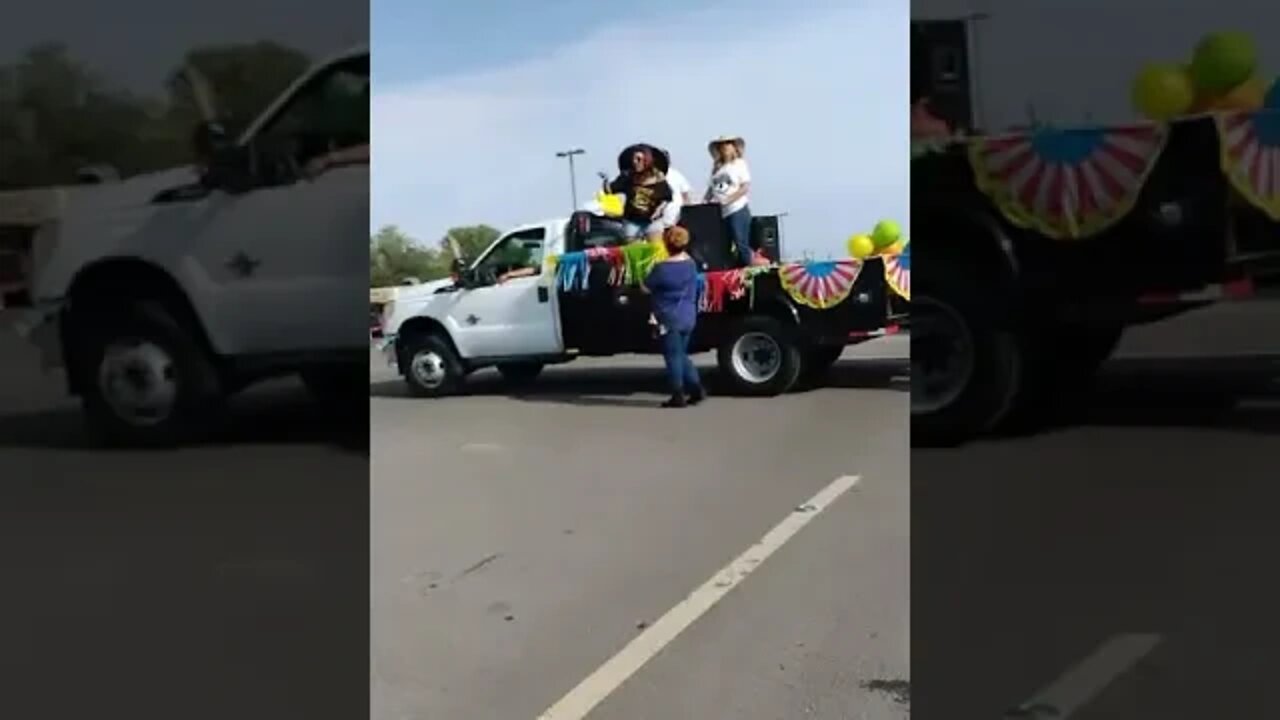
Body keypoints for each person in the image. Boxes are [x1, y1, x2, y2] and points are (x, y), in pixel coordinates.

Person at [641, 226, 706, 408]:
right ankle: (696, 389)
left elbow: (645, 288)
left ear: (667, 244)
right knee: (681, 355)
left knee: (673, 357)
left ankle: (678, 394)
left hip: (669, 317)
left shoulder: (662, 268)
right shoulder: (691, 264)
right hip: (688, 315)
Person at [603, 145, 672, 243]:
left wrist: (660, 209)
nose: (635, 162)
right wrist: (606, 181)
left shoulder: (658, 179)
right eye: (634, 159)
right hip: (632, 221)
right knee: (633, 250)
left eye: (638, 159)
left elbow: (667, 196)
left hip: (652, 222)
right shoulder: (628, 177)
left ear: (647, 160)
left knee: (656, 250)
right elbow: (610, 190)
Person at [704, 135, 753, 266]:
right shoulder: (717, 168)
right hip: (721, 211)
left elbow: (745, 187)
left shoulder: (739, 164)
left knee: (740, 241)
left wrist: (729, 199)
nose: (724, 148)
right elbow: (711, 188)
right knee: (723, 244)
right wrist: (704, 201)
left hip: (737, 208)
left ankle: (747, 269)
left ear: (734, 147)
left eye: (727, 144)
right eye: (721, 145)